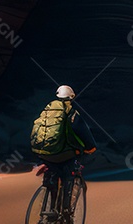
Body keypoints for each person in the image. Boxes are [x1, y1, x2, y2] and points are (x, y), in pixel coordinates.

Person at [32, 85, 97, 218]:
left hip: (44, 154)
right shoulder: (71, 113)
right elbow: (84, 133)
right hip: (63, 155)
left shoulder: (47, 110)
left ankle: (51, 208)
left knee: (53, 175)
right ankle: (66, 211)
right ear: (71, 97)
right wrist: (90, 148)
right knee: (69, 175)